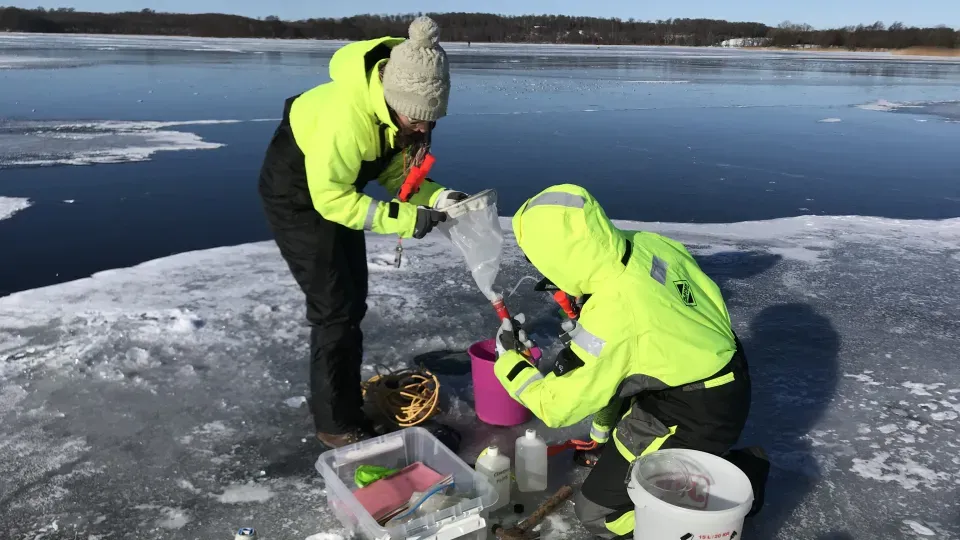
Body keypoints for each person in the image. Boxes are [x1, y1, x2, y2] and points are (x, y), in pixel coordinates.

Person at [493, 184, 767, 538]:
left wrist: (510, 362)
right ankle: (711, 468)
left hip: (694, 413)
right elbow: (627, 367)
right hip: (707, 372)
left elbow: (556, 407)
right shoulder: (645, 243)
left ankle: (725, 498)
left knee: (597, 513)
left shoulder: (614, 315)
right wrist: (601, 433)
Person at [257, 16, 467, 449]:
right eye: (418, 119)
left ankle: (342, 394)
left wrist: (438, 197)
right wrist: (406, 220)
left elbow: (396, 175)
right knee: (333, 309)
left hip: (338, 190)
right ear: (392, 98)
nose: (424, 129)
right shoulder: (346, 119)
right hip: (299, 196)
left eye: (432, 120)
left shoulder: (398, 113)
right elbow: (331, 201)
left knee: (352, 298)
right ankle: (336, 423)